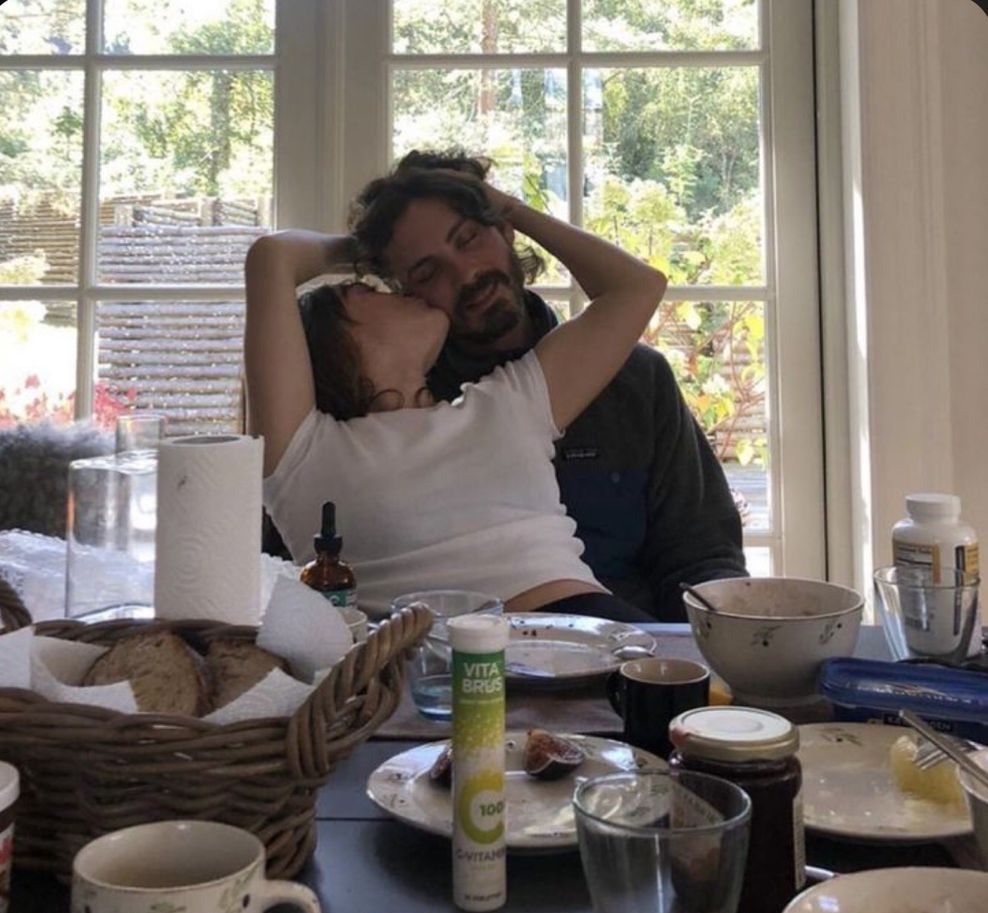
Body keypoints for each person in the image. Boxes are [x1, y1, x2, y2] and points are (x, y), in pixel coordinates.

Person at [348, 151, 748, 622]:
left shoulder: (637, 380)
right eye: (427, 271)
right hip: (460, 669)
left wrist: (682, 668)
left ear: (506, 230)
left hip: (629, 660)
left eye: (469, 238)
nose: (466, 274)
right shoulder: (395, 409)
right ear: (403, 294)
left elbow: (702, 556)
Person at [244, 175, 667, 620]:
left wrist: (512, 211)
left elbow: (636, 287)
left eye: (466, 240)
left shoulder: (507, 401)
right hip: (433, 666)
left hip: (585, 630)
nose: (404, 291)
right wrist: (370, 250)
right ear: (334, 342)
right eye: (372, 287)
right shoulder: (303, 453)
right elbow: (272, 258)